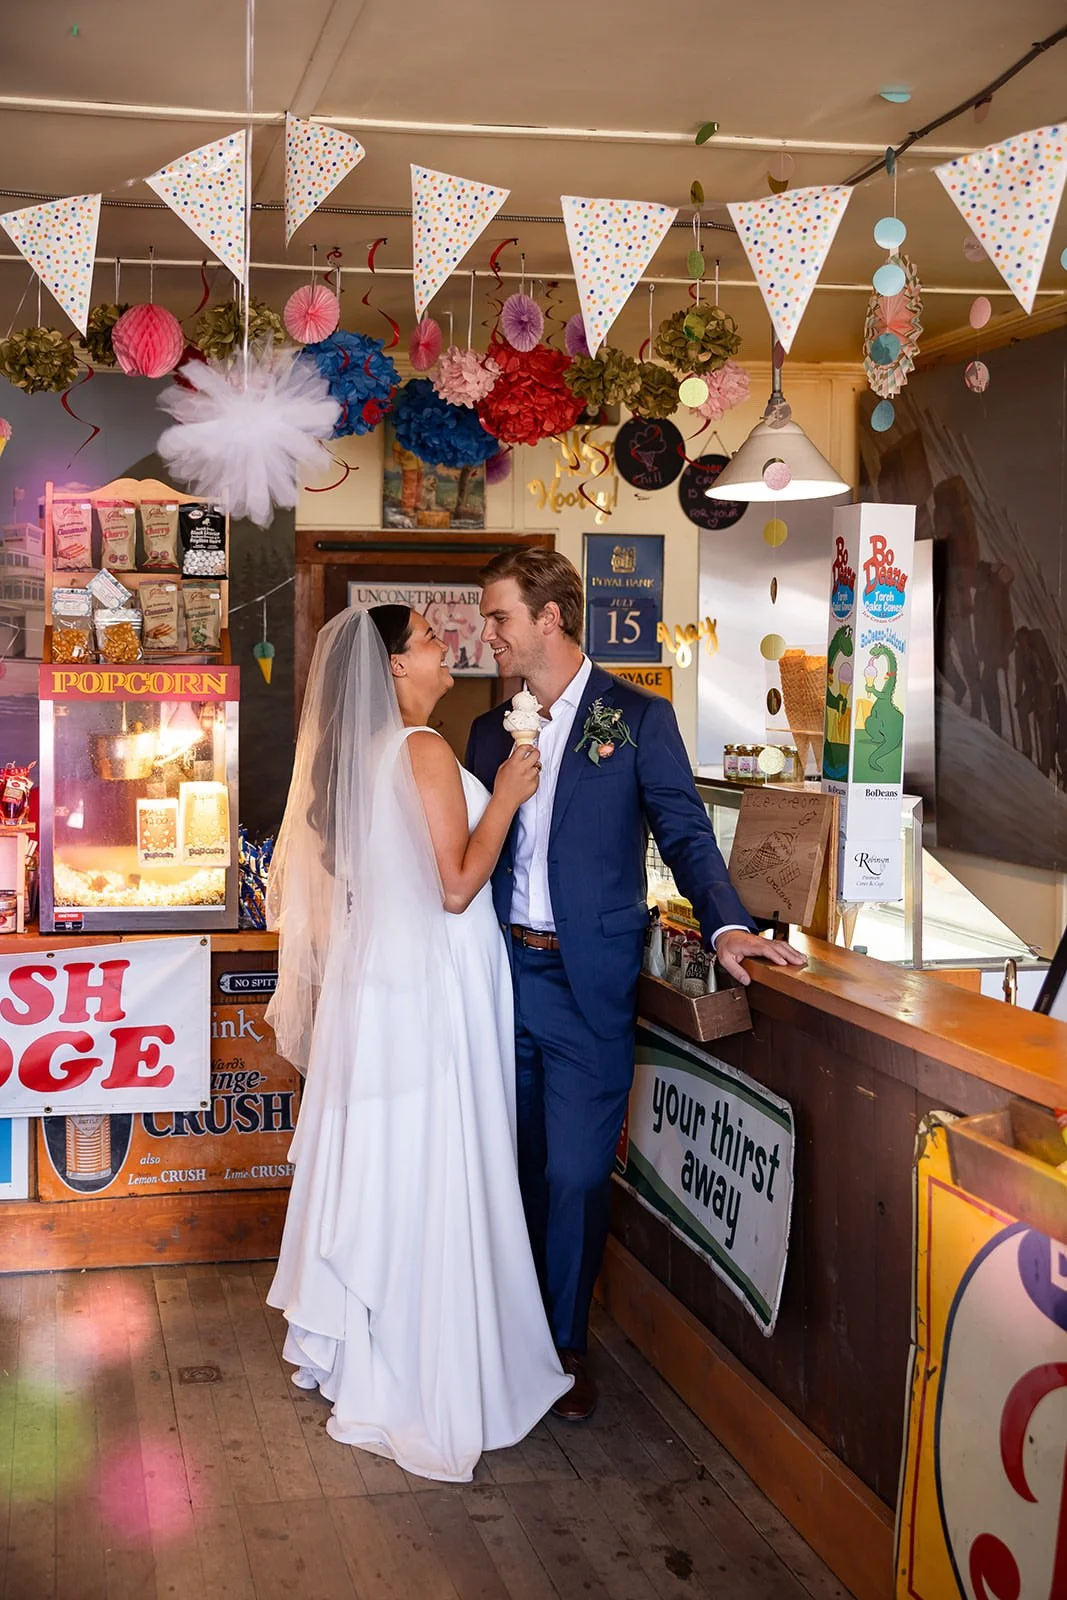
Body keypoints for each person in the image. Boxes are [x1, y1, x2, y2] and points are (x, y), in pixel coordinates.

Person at [465, 548, 806, 1421]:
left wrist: (729, 926)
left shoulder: (637, 718)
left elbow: (687, 834)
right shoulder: (483, 729)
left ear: (549, 618)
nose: (486, 631)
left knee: (578, 1173)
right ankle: (507, 1336)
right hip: (495, 978)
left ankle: (564, 1346)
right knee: (511, 1164)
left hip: (586, 985)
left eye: (498, 615)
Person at [264, 604, 572, 1482]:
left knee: (399, 1157)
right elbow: (456, 885)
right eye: (431, 640)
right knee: (433, 1154)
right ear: (397, 668)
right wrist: (509, 796)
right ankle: (422, 1360)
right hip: (433, 980)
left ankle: (374, 1337)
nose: (448, 647)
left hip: (382, 988)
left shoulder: (363, 757)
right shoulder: (422, 749)